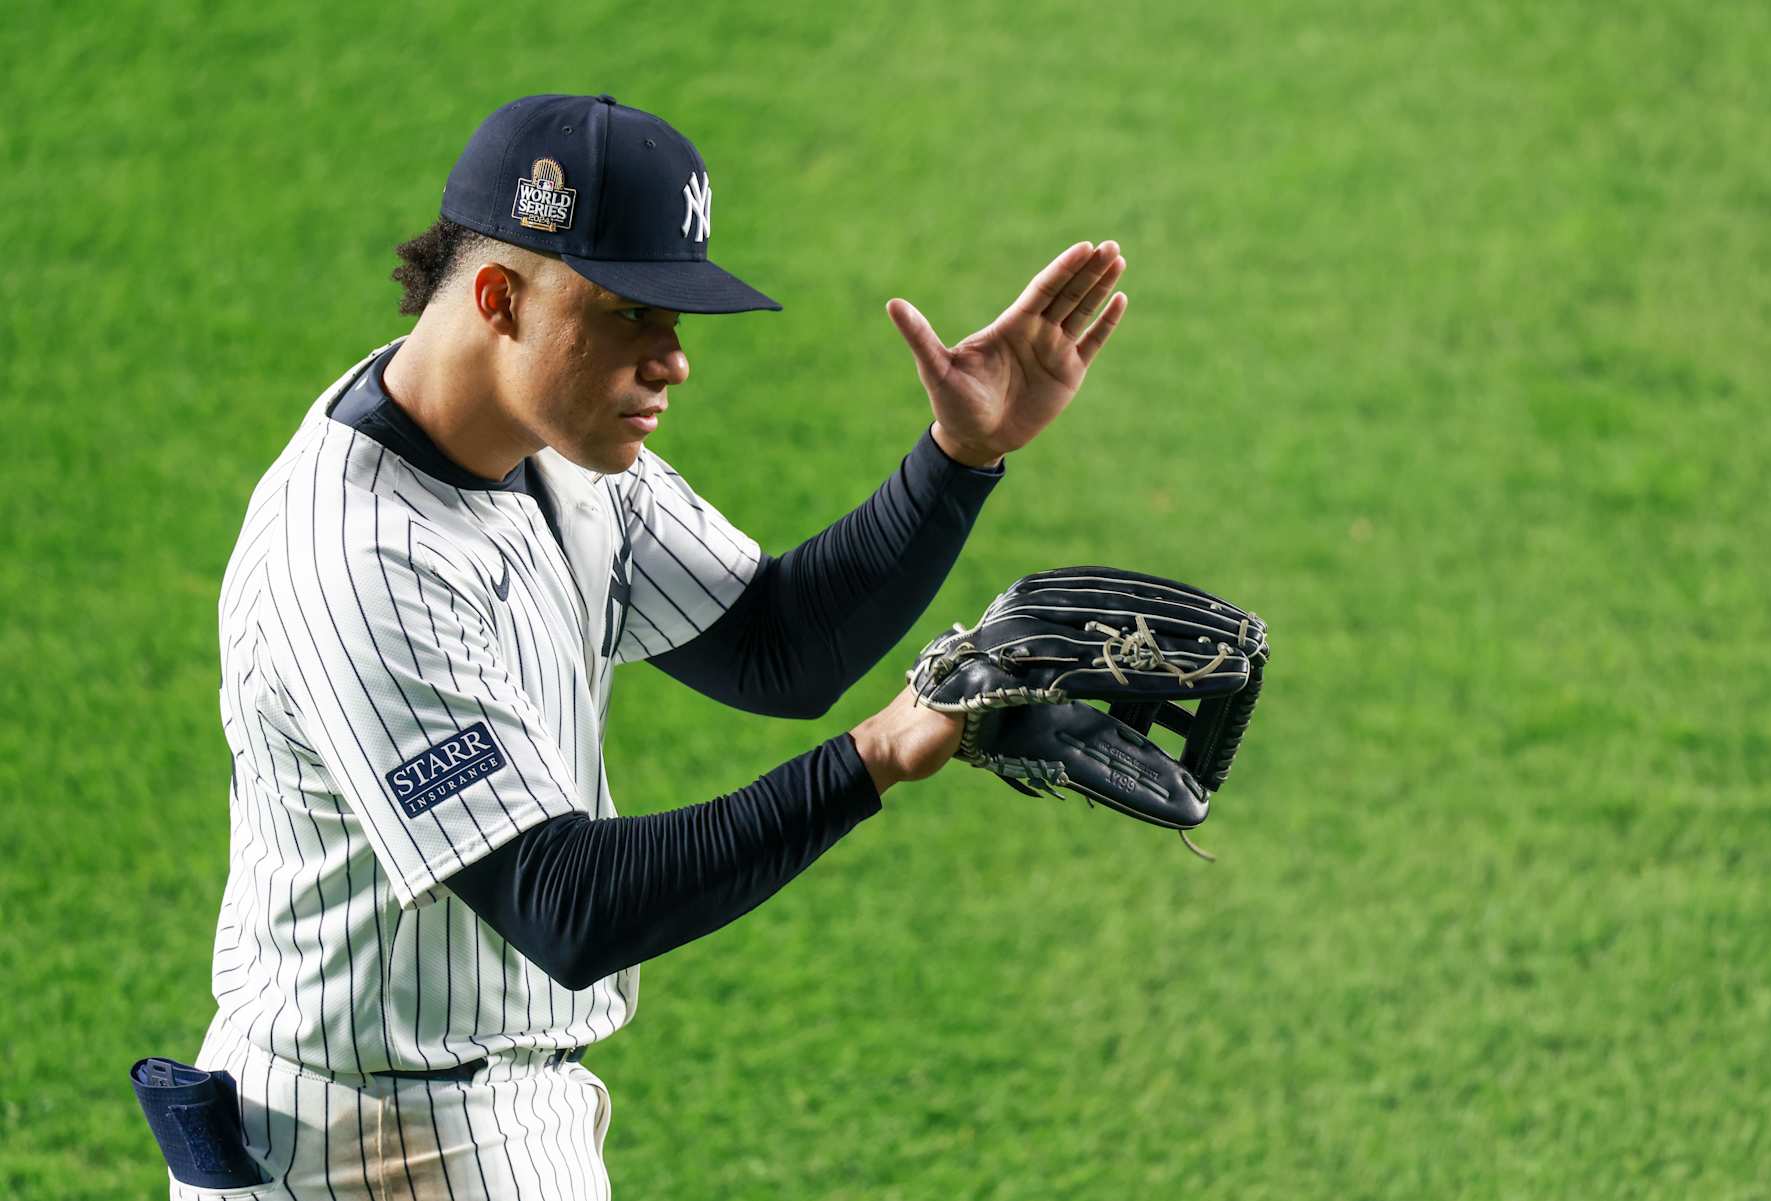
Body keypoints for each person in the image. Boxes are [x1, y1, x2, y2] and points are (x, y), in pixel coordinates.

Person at [184, 92, 1126, 1199]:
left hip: (491, 1116)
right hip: (363, 1151)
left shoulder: (557, 450)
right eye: (636, 314)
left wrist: (956, 459)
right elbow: (566, 904)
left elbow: (778, 647)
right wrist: (875, 755)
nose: (674, 362)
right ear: (500, 297)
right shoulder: (357, 554)